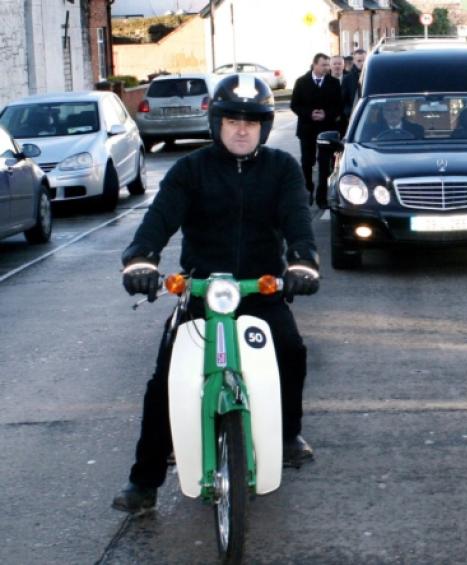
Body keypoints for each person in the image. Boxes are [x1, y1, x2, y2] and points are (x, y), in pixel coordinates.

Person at [112, 74, 321, 513]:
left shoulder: (282, 169)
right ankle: (144, 481)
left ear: (265, 127)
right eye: (232, 121)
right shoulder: (191, 169)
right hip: (201, 292)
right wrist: (141, 258)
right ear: (216, 123)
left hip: (259, 290)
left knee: (291, 350)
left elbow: (297, 220)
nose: (242, 130)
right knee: (166, 379)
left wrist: (303, 262)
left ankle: (287, 434)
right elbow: (159, 218)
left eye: (252, 122)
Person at [290, 53, 343, 208]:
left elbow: (339, 106)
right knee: (307, 163)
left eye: (327, 65)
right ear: (314, 65)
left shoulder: (333, 82)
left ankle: (322, 197)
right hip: (307, 129)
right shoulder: (301, 82)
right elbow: (294, 105)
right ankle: (307, 192)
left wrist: (326, 114)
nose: (327, 68)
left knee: (325, 164)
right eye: (323, 65)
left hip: (326, 129)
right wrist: (309, 114)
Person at [341, 49, 367, 124]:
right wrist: (349, 113)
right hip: (354, 116)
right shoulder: (347, 79)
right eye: (359, 61)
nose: (362, 63)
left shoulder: (373, 76)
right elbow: (343, 100)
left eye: (364, 60)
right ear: (354, 62)